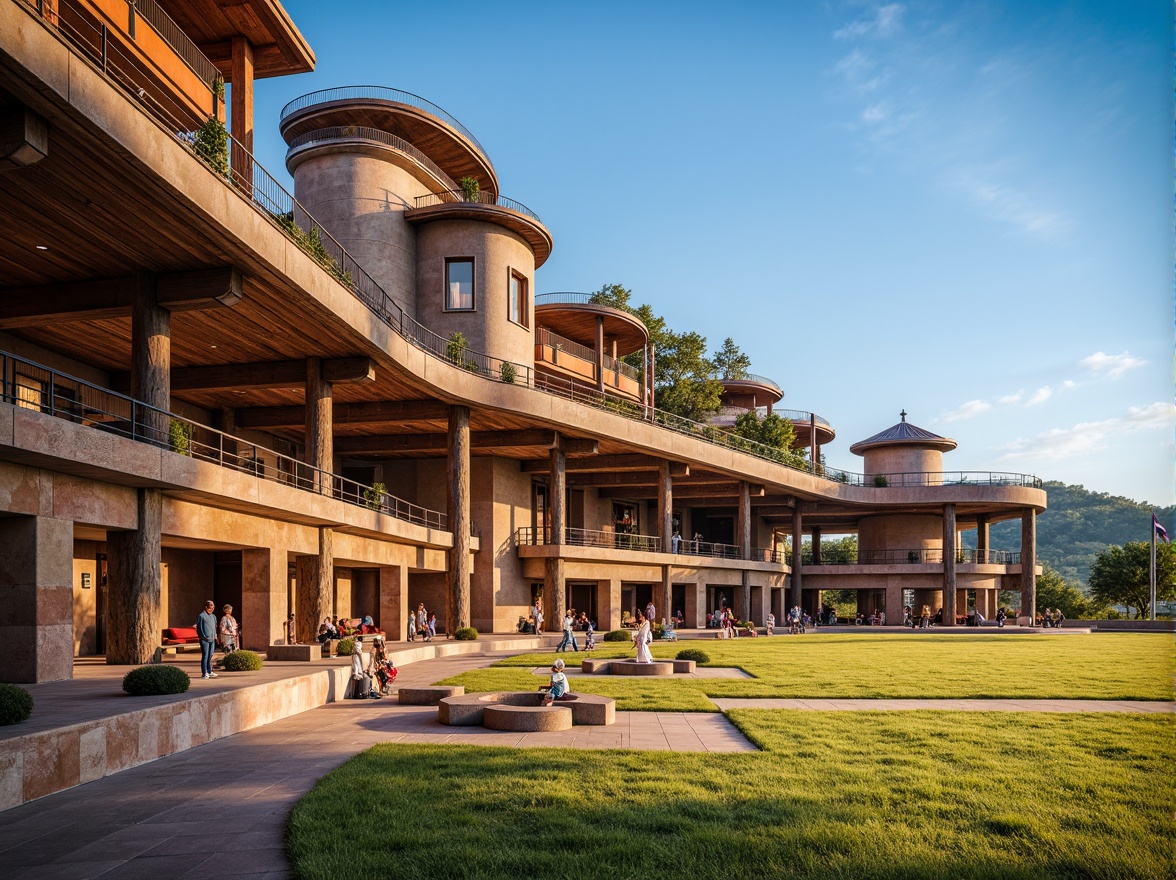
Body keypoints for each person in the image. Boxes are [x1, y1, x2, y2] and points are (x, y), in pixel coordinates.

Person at [196, 600, 218, 679]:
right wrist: (203, 636)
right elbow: (199, 628)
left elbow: (214, 626)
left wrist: (215, 635)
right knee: (205, 655)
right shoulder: (201, 616)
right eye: (209, 607)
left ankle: (209, 671)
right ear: (206, 607)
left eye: (212, 607)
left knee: (210, 655)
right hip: (205, 640)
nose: (211, 609)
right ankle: (204, 672)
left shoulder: (213, 616)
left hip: (212, 639)